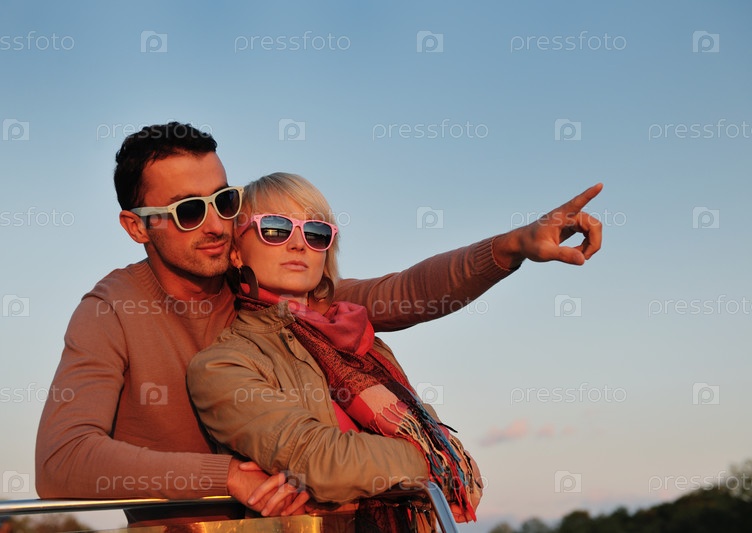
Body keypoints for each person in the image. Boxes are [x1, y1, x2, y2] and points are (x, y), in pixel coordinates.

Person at [35, 122, 602, 520]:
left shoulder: (275, 297)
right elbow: (62, 460)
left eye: (224, 201)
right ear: (137, 226)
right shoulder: (112, 309)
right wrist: (224, 477)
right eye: (187, 211)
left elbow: (405, 292)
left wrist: (513, 246)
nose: (213, 225)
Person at [187, 173, 483, 530]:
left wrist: (432, 455)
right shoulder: (223, 363)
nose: (299, 245)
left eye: (315, 233)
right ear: (236, 251)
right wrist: (436, 457)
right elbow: (323, 464)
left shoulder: (365, 344)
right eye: (276, 228)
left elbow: (443, 449)